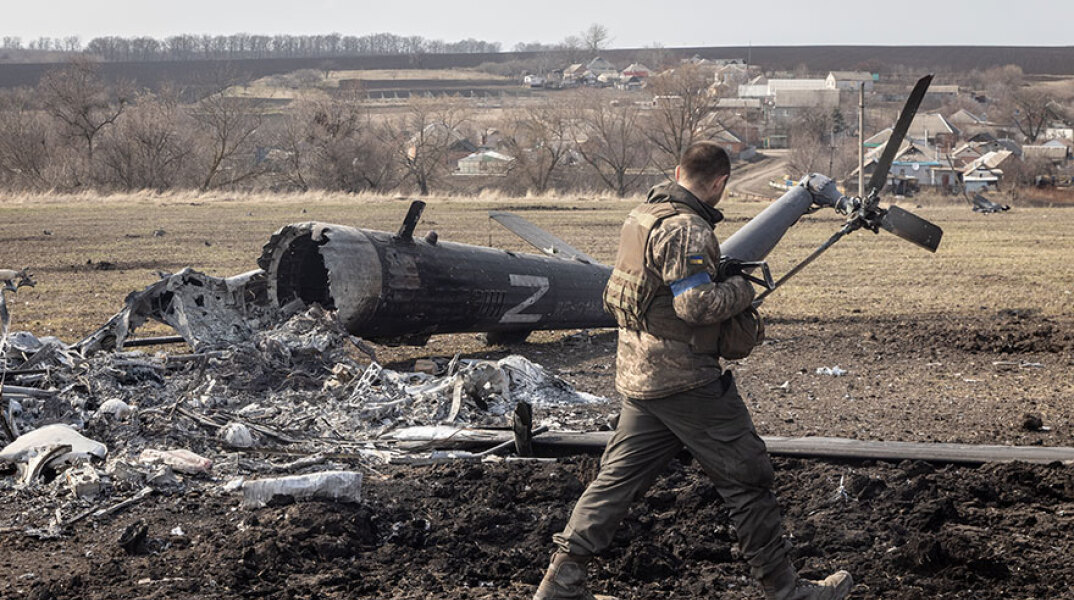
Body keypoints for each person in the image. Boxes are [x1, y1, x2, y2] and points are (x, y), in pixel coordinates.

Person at [533, 142, 853, 600]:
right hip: (686, 379)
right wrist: (743, 286)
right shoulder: (687, 230)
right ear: (720, 183)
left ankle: (561, 584)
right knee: (748, 476)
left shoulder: (643, 215)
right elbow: (696, 306)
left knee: (615, 482)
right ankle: (786, 591)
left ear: (678, 170)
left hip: (640, 375)